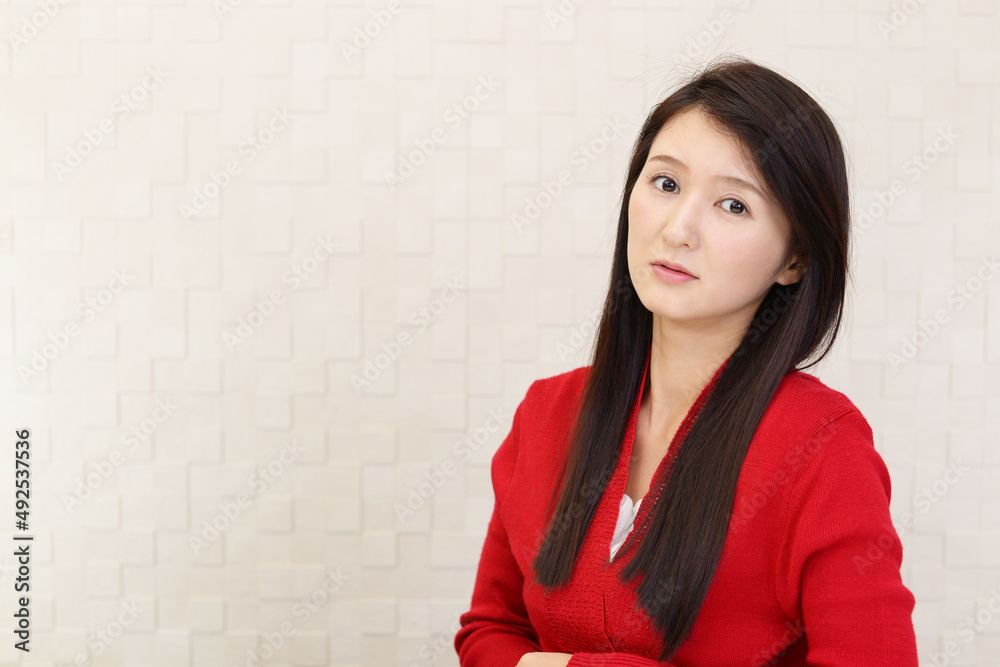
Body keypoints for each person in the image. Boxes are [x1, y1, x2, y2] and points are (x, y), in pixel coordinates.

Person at [454, 55, 919, 666]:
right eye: (666, 184)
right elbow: (489, 632)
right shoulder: (547, 413)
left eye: (734, 205)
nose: (678, 230)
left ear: (795, 259)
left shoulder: (823, 450)